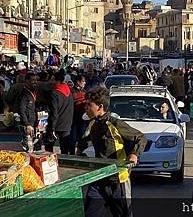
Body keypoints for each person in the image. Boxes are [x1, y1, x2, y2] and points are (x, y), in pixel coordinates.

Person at [80, 87, 147, 217]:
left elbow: (140, 138)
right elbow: (87, 141)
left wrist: (134, 154)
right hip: (99, 178)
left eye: (89, 105)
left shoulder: (115, 124)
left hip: (118, 180)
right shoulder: (93, 124)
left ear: (99, 107)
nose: (86, 108)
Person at [44, 71, 74, 154]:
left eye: (52, 80)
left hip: (56, 124)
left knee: (49, 149)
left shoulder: (54, 93)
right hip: (67, 124)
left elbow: (54, 112)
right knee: (64, 148)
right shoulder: (69, 92)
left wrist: (51, 128)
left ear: (57, 81)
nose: (50, 82)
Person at [18, 73, 39, 152]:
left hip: (34, 124)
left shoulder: (34, 92)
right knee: (28, 148)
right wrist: (27, 124)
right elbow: (21, 110)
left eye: (36, 80)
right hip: (27, 125)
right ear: (27, 81)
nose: (35, 82)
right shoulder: (24, 94)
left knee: (34, 148)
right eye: (32, 80)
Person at [69, 75, 88, 154]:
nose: (84, 83)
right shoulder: (71, 92)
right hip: (73, 119)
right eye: (83, 81)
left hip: (83, 119)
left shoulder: (85, 92)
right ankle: (72, 154)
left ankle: (81, 153)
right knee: (72, 138)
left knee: (82, 138)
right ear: (78, 82)